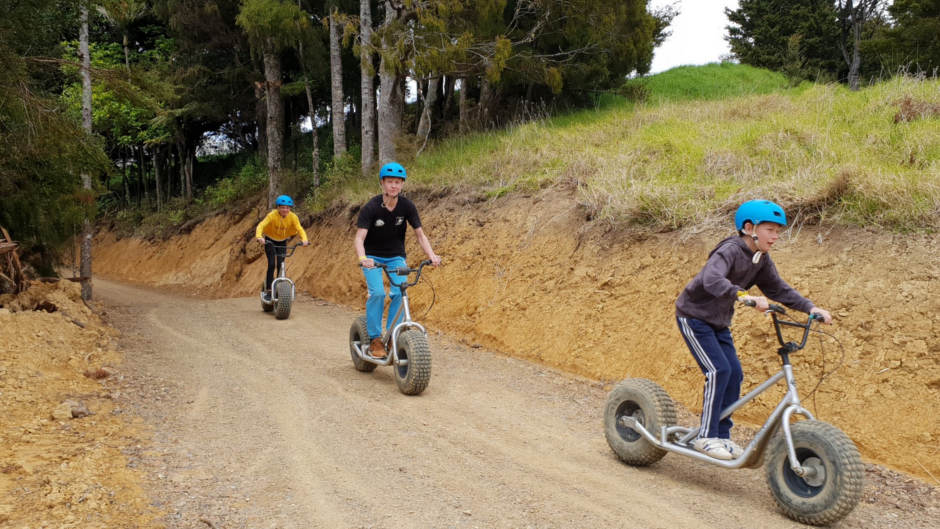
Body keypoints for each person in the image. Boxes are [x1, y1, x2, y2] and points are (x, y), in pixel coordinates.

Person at [675, 199, 832, 460]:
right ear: (749, 228)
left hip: (718, 322)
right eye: (770, 230)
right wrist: (741, 295)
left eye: (778, 231)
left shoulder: (760, 259)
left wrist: (810, 308)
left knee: (734, 374)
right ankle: (706, 436)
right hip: (694, 317)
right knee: (718, 371)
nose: (776, 236)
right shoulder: (729, 250)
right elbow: (711, 279)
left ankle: (721, 436)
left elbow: (777, 288)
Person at [354, 162, 441, 358]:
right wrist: (363, 258)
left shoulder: (407, 206)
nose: (394, 186)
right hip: (372, 257)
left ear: (402, 185)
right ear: (382, 184)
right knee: (377, 293)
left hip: (396, 257)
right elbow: (359, 238)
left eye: (398, 182)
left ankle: (393, 336)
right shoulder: (371, 207)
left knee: (400, 294)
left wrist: (432, 256)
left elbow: (420, 234)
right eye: (390, 182)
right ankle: (375, 339)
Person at [255, 194, 309, 301]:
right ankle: (269, 290)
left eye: (287, 208)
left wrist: (304, 239)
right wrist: (259, 237)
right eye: (283, 207)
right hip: (270, 240)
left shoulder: (293, 217)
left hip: (282, 241)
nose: (285, 210)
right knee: (271, 264)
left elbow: (299, 228)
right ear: (278, 207)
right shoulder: (272, 215)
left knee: (281, 264)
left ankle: (279, 289)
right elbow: (261, 225)